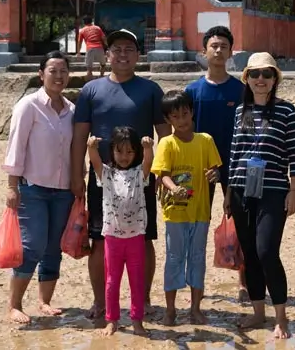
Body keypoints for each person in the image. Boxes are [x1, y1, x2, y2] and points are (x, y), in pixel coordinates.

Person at [71, 29, 172, 320]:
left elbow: (165, 136)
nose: (123, 54)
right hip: (103, 177)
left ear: (138, 56)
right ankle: (100, 301)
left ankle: (145, 298)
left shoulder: (151, 90)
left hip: (142, 177)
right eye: (116, 49)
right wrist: (77, 173)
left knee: (144, 238)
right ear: (107, 55)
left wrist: (164, 175)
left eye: (129, 49)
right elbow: (79, 136)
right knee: (100, 238)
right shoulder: (91, 90)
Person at [223, 52, 295, 339]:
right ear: (246, 79)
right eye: (255, 74)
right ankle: (259, 313)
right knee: (251, 255)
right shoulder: (238, 112)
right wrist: (229, 192)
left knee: (267, 251)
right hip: (241, 191)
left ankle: (281, 317)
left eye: (266, 74)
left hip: (273, 191)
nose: (260, 79)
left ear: (274, 80)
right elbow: (234, 154)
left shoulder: (287, 111)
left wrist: (294, 191)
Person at [1, 50, 75, 324]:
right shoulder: (28, 106)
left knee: (53, 247)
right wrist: (12, 186)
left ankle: (44, 301)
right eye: (53, 70)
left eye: (63, 71)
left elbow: (73, 151)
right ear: (41, 74)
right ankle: (14, 305)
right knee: (32, 246)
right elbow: (15, 147)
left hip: (63, 191)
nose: (58, 76)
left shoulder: (72, 111)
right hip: (32, 188)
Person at [184, 25, 248, 301]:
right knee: (197, 224)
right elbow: (184, 129)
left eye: (224, 45)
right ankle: (194, 281)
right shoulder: (193, 90)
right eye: (214, 45)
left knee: (241, 223)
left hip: (234, 166)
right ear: (204, 52)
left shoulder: (241, 90)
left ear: (231, 52)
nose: (219, 50)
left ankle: (244, 282)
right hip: (201, 168)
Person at [151, 90, 222, 326]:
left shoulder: (206, 140)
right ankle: (170, 310)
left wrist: (215, 174)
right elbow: (163, 175)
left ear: (192, 112)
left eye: (185, 113)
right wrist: (173, 188)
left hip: (201, 212)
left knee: (198, 259)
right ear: (168, 120)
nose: (181, 119)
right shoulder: (166, 143)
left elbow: (216, 169)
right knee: (174, 258)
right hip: (175, 213)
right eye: (175, 116)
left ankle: (195, 309)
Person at [86, 128, 154, 336]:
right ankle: (112, 320)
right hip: (113, 238)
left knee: (137, 281)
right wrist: (90, 147)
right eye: (120, 151)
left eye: (130, 152)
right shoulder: (106, 173)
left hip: (135, 238)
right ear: (112, 151)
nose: (124, 157)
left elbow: (149, 162)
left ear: (136, 153)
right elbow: (95, 161)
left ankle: (137, 321)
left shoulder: (138, 174)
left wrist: (149, 148)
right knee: (111, 281)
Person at [77, 16, 107, 80]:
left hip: (90, 48)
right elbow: (103, 38)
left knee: (89, 68)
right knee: (103, 64)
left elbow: (79, 42)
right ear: (91, 21)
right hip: (99, 47)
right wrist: (108, 47)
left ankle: (89, 82)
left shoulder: (82, 30)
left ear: (84, 22)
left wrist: (78, 52)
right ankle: (102, 77)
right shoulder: (97, 28)